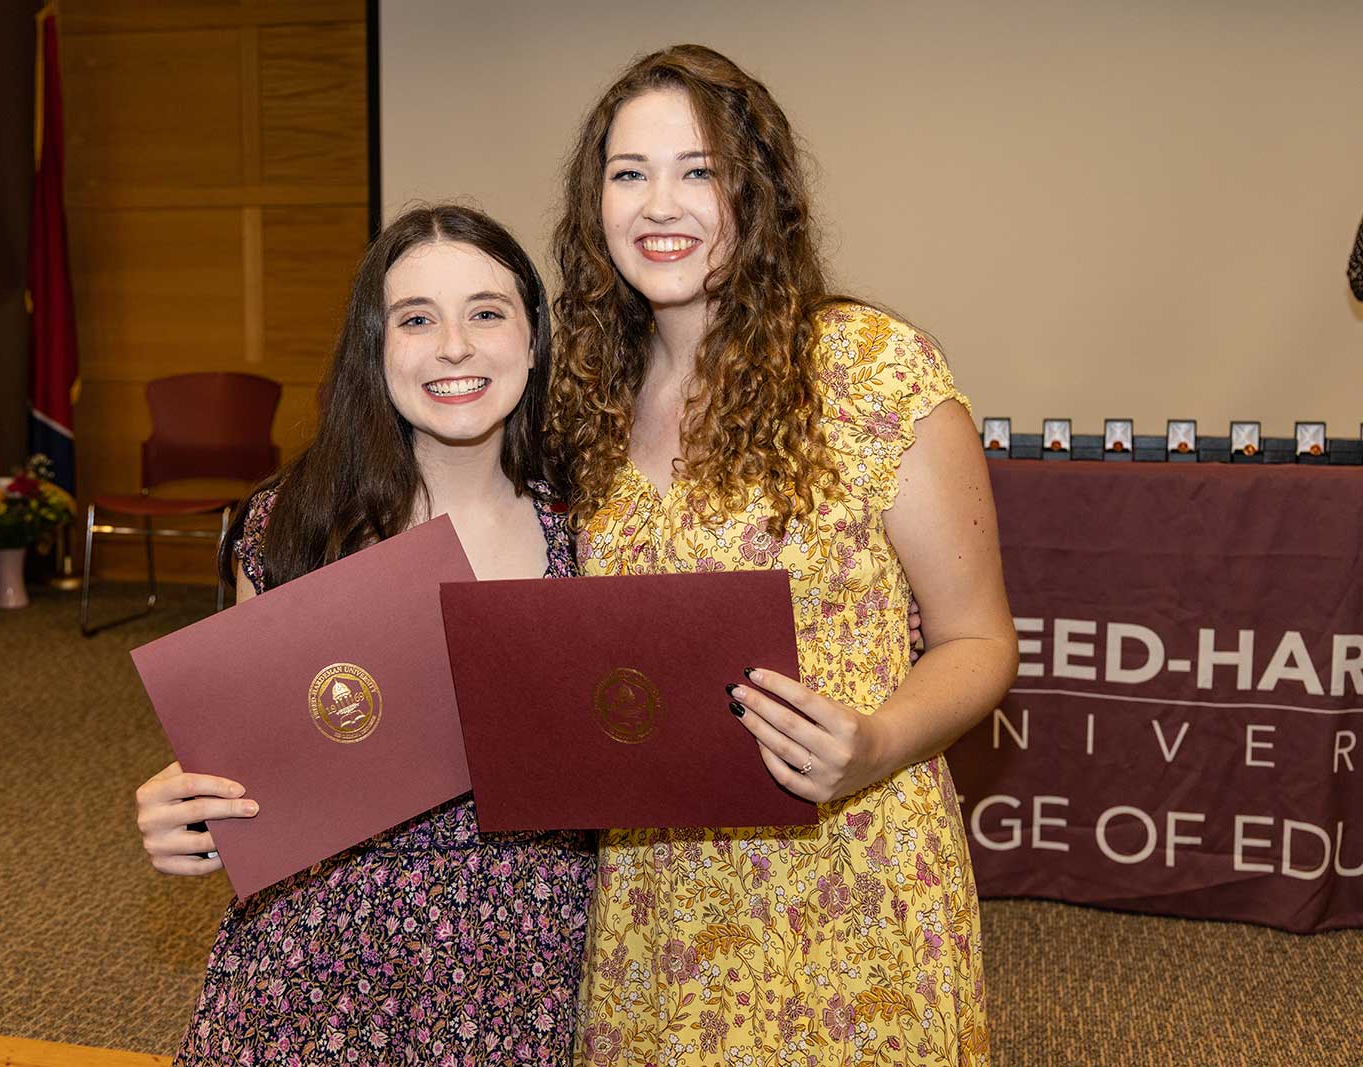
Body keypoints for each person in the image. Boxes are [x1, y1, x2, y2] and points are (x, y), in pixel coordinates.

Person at [547, 46, 1018, 1065]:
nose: (658, 203)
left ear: (753, 191)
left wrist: (879, 741)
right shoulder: (583, 399)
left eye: (697, 169)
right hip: (656, 901)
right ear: (595, 204)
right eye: (628, 172)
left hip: (853, 878)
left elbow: (979, 639)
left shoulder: (868, 368)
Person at [133, 205, 594, 1065]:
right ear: (375, 349)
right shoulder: (292, 525)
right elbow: (244, 754)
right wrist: (185, 813)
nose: (454, 345)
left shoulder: (595, 529)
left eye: (487, 311)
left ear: (533, 342)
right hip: (317, 968)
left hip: (530, 969)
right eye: (416, 318)